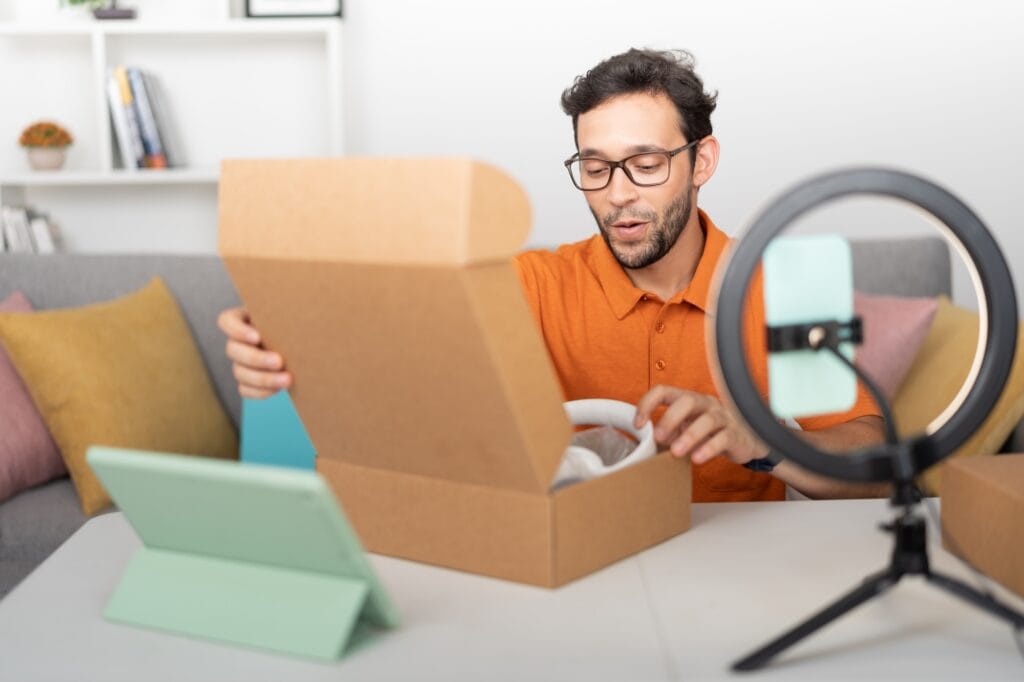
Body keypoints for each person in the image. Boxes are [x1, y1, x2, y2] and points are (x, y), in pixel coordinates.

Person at [219, 48, 886, 502]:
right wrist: (285, 345)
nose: (617, 194)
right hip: (579, 566)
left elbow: (873, 458)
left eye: (646, 163)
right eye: (594, 168)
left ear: (701, 159)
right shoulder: (533, 282)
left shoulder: (785, 283)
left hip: (742, 569)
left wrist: (758, 440)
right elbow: (396, 355)